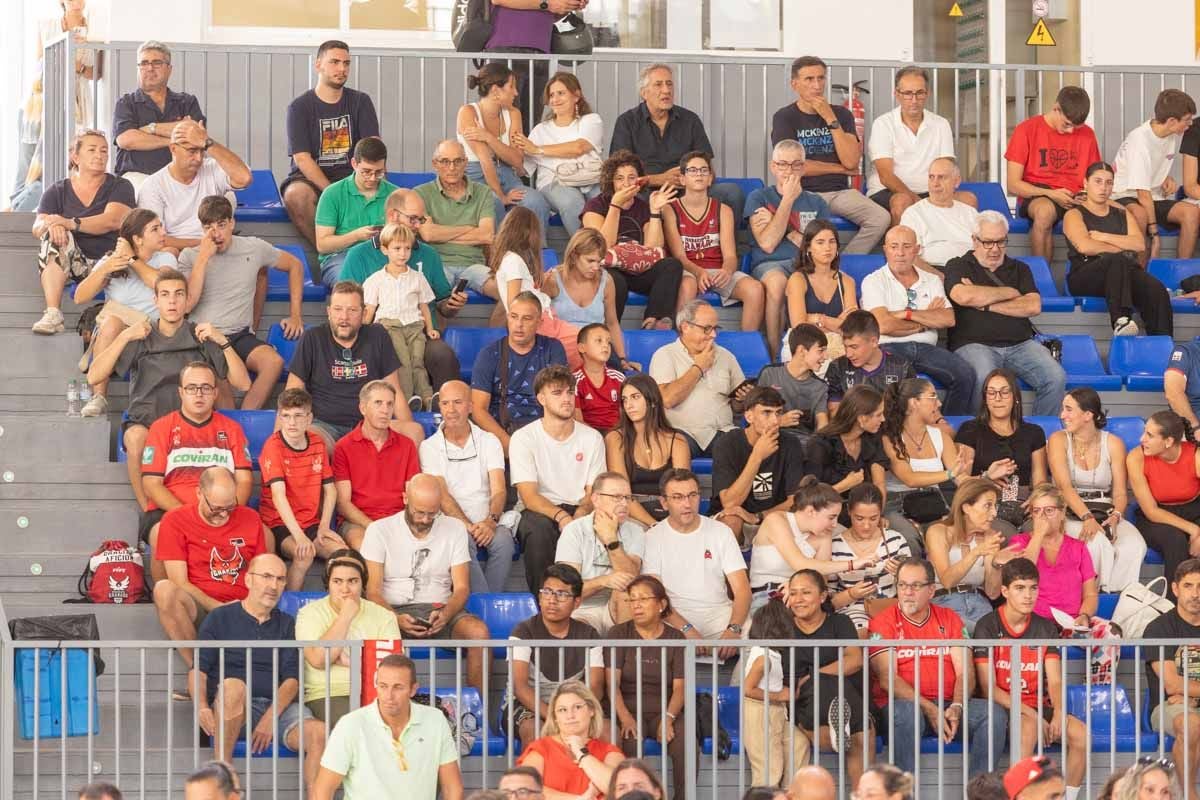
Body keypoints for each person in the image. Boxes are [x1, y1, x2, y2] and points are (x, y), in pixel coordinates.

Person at [87, 268, 249, 512]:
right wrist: (124, 337)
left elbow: (243, 383)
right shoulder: (142, 335)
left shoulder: (200, 336)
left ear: (187, 301)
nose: (172, 301)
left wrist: (222, 341)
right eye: (165, 294)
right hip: (148, 423)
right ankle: (150, 513)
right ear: (156, 300)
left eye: (178, 294)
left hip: (192, 425)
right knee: (135, 437)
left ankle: (209, 511)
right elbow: (94, 376)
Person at [191, 554, 325, 786]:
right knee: (234, 685)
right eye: (266, 577)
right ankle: (225, 779)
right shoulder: (219, 617)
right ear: (248, 580)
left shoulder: (287, 623)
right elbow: (198, 670)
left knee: (319, 733)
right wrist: (202, 706)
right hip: (233, 709)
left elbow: (292, 680)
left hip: (279, 709)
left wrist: (269, 719)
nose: (273, 586)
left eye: (280, 579)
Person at [867, 557, 1006, 779]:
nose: (907, 592)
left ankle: (981, 793)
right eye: (902, 585)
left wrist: (958, 706)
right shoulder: (883, 622)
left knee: (994, 714)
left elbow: (965, 672)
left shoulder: (949, 618)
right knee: (906, 712)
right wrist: (930, 710)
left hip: (948, 704)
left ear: (931, 590)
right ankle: (903, 795)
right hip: (903, 708)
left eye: (915, 586)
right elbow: (888, 679)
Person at [361, 473, 491, 694]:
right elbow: (372, 592)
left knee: (479, 633)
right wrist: (395, 619)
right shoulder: (379, 530)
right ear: (405, 499)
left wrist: (446, 614)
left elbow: (462, 588)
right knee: (374, 633)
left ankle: (478, 714)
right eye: (419, 512)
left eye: (432, 513)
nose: (424, 519)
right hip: (391, 610)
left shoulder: (455, 528)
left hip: (439, 608)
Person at [973, 558, 1086, 800]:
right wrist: (1033, 715)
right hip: (1004, 707)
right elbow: (988, 688)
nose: (1028, 596)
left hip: (1036, 707)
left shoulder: (1045, 628)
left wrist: (1057, 712)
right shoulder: (988, 626)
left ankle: (1068, 797)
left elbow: (1055, 681)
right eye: (1020, 588)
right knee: (1028, 727)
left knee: (1081, 734)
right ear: (1004, 591)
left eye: (1033, 588)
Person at [178, 195, 303, 409]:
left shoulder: (253, 248)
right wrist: (203, 259)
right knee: (221, 386)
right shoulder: (190, 256)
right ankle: (233, 427)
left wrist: (295, 315)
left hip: (240, 334)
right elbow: (187, 305)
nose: (215, 234)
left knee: (274, 362)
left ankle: (246, 419)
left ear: (232, 223)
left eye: (221, 225)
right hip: (205, 336)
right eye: (209, 227)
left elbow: (295, 265)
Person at [340, 187, 465, 395]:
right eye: (413, 219)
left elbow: (442, 304)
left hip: (419, 332)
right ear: (393, 216)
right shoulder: (358, 255)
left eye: (421, 220)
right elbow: (345, 306)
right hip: (378, 335)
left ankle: (442, 413)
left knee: (443, 354)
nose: (418, 226)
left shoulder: (429, 254)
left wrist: (451, 305)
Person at [943, 212, 1067, 416]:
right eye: (988, 242)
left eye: (1001, 242)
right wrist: (1010, 293)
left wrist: (985, 304)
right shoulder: (958, 265)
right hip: (973, 344)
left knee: (1056, 377)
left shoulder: (1019, 268)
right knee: (985, 378)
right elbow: (963, 296)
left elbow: (1033, 306)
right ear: (974, 240)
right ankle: (980, 434)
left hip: (1021, 343)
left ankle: (1039, 435)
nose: (995, 249)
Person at [140, 361, 254, 582]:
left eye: (206, 388)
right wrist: (190, 516)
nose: (199, 394)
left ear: (215, 393)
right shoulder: (161, 427)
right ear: (181, 392)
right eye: (192, 388)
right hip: (170, 511)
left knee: (266, 536)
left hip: (224, 510)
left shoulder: (231, 429)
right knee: (160, 534)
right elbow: (151, 484)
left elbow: (245, 480)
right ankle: (169, 602)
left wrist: (227, 509)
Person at [770, 56, 889, 254]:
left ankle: (844, 263)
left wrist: (829, 117)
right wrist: (840, 169)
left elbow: (851, 160)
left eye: (821, 78)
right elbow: (794, 167)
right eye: (809, 79)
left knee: (881, 218)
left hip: (840, 192)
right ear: (795, 84)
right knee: (807, 235)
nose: (817, 85)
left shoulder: (841, 115)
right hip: (802, 192)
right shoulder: (784, 117)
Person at [286, 281, 423, 448]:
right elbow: (292, 394)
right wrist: (278, 441)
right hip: (325, 426)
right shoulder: (313, 337)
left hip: (371, 423)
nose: (344, 317)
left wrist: (406, 430)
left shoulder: (378, 335)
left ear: (364, 313)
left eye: (352, 310)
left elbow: (394, 390)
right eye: (337, 309)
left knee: (414, 432)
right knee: (313, 442)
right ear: (329, 312)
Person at [152, 468, 264, 671]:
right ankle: (198, 671)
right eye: (216, 508)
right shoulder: (175, 520)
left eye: (230, 507)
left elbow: (262, 571)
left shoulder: (250, 518)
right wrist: (218, 608)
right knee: (164, 590)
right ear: (199, 494)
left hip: (244, 608)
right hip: (201, 606)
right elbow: (179, 581)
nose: (223, 514)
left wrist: (248, 607)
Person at [313, 653, 464, 800]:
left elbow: (452, 788)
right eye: (383, 686)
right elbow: (323, 789)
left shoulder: (435, 720)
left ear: (413, 689)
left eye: (398, 687)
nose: (389, 695)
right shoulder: (350, 724)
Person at [510, 364, 607, 594]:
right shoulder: (524, 438)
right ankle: (545, 603)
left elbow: (593, 492)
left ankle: (579, 603)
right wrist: (563, 517)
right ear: (541, 399)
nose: (566, 399)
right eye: (557, 393)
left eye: (570, 392)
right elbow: (529, 496)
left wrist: (580, 514)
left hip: (581, 507)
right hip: (539, 509)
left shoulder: (592, 438)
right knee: (539, 530)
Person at [861, 225, 976, 415]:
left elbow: (948, 318)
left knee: (966, 375)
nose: (900, 253)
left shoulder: (932, 280)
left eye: (906, 246)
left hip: (927, 349)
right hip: (889, 348)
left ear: (917, 250)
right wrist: (926, 321)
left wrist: (905, 314)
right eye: (894, 246)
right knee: (892, 386)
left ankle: (942, 427)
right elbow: (883, 325)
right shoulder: (873, 281)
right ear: (885, 250)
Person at [71, 208, 175, 418]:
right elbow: (79, 297)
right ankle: (98, 397)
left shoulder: (166, 258)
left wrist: (132, 260)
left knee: (113, 324)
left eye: (161, 227)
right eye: (155, 229)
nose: (163, 232)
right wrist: (105, 269)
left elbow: (161, 284)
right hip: (117, 337)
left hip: (151, 334)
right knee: (111, 323)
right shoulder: (111, 260)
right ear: (138, 238)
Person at [31, 129, 134, 336]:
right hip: (77, 265)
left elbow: (113, 220)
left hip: (113, 262)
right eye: (92, 150)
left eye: (104, 151)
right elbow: (37, 226)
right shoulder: (58, 190)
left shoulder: (120, 185)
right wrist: (53, 225)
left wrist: (68, 222)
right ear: (75, 156)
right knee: (53, 235)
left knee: (60, 229)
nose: (100, 155)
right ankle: (53, 313)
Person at [609, 64, 744, 220]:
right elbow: (619, 176)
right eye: (658, 84)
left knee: (731, 192)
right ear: (644, 93)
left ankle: (727, 244)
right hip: (645, 192)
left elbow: (709, 171)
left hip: (689, 190)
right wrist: (658, 179)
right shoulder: (627, 122)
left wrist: (690, 179)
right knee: (636, 200)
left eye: (669, 84)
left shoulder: (690, 120)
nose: (666, 90)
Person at [281, 40, 380, 250]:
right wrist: (334, 192)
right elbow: (302, 158)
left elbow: (373, 149)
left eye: (346, 63)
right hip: (312, 180)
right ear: (318, 65)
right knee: (295, 195)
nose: (342, 69)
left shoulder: (361, 101)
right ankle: (328, 252)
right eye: (334, 62)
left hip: (353, 176)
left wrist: (358, 183)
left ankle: (367, 253)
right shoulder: (299, 107)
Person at [419, 380, 515, 594]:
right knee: (463, 543)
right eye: (445, 404)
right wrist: (467, 525)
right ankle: (487, 607)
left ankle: (484, 604)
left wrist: (490, 521)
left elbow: (499, 490)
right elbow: (442, 495)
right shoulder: (429, 447)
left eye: (457, 402)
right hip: (452, 522)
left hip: (489, 519)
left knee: (504, 542)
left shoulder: (489, 441)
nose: (451, 410)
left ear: (470, 406)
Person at [643, 469, 751, 658]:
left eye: (692, 495)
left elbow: (742, 590)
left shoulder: (721, 532)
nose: (687, 504)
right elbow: (655, 595)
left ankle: (741, 687)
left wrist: (733, 629)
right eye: (678, 497)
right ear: (664, 502)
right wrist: (685, 628)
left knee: (757, 637)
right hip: (672, 618)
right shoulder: (651, 538)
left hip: (719, 614)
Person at [780, 570, 874, 785]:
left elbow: (854, 660)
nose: (798, 599)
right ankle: (843, 726)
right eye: (793, 594)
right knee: (859, 730)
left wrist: (814, 676)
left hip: (847, 695)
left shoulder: (839, 622)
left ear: (822, 597)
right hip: (803, 700)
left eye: (805, 592)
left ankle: (843, 724)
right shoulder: (782, 629)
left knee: (857, 728)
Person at [1047, 387, 1146, 592]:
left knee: (1134, 546)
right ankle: (1094, 600)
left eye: (1068, 409)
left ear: (1088, 415)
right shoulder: (1058, 440)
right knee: (1096, 544)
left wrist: (1117, 516)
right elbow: (1064, 487)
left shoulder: (1113, 443)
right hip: (1072, 512)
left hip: (1105, 510)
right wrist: (1087, 517)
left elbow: (1119, 493)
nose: (1062, 415)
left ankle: (1119, 603)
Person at [581, 150, 685, 330]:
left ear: (639, 181)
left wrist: (654, 211)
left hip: (637, 267)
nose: (626, 183)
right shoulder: (595, 205)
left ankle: (654, 320)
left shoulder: (642, 207)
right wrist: (615, 205)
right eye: (619, 178)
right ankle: (609, 330)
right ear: (611, 181)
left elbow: (653, 248)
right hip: (609, 268)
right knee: (615, 282)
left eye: (631, 178)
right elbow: (601, 245)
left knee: (672, 265)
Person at [662, 150, 765, 332]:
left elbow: (731, 256)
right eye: (693, 170)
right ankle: (682, 344)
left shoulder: (723, 210)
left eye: (704, 170)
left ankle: (746, 347)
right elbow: (679, 256)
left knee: (755, 289)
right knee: (688, 284)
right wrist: (699, 272)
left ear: (710, 178)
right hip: (688, 270)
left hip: (716, 271)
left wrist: (726, 270)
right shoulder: (670, 210)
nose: (699, 174)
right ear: (683, 179)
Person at [1064, 161, 1171, 337]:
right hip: (1085, 275)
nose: (1103, 188)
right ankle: (1121, 321)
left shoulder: (1122, 213)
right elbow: (1085, 246)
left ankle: (1163, 343)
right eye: (1097, 181)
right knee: (1118, 260)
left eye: (1109, 182)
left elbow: (1138, 244)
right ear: (1085, 183)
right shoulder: (1074, 214)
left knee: (1156, 289)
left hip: (1122, 272)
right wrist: (1122, 245)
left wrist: (1103, 236)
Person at [294, 549, 399, 727]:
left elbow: (393, 668)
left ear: (363, 584)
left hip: (378, 694)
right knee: (360, 726)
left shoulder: (384, 616)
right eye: (337, 581)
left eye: (353, 581)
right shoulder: (309, 614)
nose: (345, 589)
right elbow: (319, 659)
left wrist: (350, 660)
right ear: (328, 584)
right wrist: (346, 616)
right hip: (327, 694)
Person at [745, 140, 832, 353]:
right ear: (773, 167)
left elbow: (821, 246)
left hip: (806, 264)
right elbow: (767, 244)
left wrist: (784, 228)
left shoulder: (817, 202)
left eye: (795, 164)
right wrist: (787, 200)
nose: (789, 170)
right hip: (770, 264)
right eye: (782, 164)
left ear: (803, 167)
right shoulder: (759, 197)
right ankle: (775, 354)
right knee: (777, 283)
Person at [508, 563, 606, 747]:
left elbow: (596, 686)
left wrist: (574, 713)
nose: (552, 600)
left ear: (577, 602)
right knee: (535, 731)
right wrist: (555, 717)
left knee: (609, 732)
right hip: (529, 705)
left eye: (561, 594)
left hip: (576, 706)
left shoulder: (590, 635)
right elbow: (519, 686)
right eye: (547, 592)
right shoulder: (523, 631)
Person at [606, 581, 688, 798]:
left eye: (643, 599)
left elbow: (681, 687)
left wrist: (669, 717)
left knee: (685, 741)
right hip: (628, 709)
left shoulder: (676, 638)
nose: (636, 605)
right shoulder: (618, 634)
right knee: (629, 740)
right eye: (632, 599)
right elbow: (611, 684)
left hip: (666, 709)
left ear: (661, 604)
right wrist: (625, 718)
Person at [1004, 86, 1101, 262]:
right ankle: (1042, 281)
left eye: (1076, 127)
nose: (1071, 131)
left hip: (1075, 196)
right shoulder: (1026, 130)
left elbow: (1095, 176)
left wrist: (1086, 195)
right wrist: (1052, 194)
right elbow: (1013, 184)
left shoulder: (1088, 134)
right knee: (1044, 212)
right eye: (1067, 124)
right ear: (1056, 108)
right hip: (1039, 192)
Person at [258, 388, 340, 591]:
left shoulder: (318, 443)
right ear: (279, 417)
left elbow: (330, 490)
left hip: (311, 522)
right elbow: (278, 496)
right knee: (304, 554)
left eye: (298, 416)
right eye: (286, 416)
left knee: (342, 555)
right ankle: (291, 605)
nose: (292, 423)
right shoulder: (273, 446)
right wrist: (299, 536)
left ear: (309, 417)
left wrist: (323, 526)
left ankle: (333, 608)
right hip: (280, 524)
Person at [457, 63, 551, 236]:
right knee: (494, 203)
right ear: (495, 91)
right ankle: (498, 255)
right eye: (511, 87)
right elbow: (485, 159)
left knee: (536, 201)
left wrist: (488, 137)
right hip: (477, 176)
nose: (516, 92)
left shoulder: (513, 113)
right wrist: (501, 196)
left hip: (508, 174)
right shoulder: (468, 112)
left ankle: (538, 254)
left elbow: (517, 160)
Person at [749, 478, 868, 612]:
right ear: (811, 511)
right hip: (768, 594)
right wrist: (853, 563)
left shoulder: (824, 535)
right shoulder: (776, 520)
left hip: (804, 593)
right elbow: (799, 563)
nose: (835, 524)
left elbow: (821, 580)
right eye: (831, 517)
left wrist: (797, 587)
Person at [470, 291, 569, 453]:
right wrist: (508, 444)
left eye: (527, 318)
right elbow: (478, 410)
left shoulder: (553, 349)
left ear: (539, 323)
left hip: (546, 434)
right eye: (514, 317)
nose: (519, 324)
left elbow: (560, 398)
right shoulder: (489, 354)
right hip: (503, 434)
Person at [648, 300, 747, 458]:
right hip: (681, 432)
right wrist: (699, 368)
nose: (713, 335)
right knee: (674, 447)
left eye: (716, 328)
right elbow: (667, 399)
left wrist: (741, 400)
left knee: (747, 446)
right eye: (707, 329)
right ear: (686, 327)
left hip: (722, 432)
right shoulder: (665, 355)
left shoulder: (726, 356)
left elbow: (737, 407)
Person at [880, 378, 969, 552]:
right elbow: (910, 479)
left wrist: (987, 477)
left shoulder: (941, 436)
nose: (939, 402)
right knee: (910, 538)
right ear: (914, 402)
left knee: (948, 538)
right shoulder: (889, 437)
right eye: (933, 396)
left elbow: (962, 478)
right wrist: (949, 474)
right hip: (897, 504)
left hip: (931, 501)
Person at [710, 386, 807, 545]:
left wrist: (758, 516)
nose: (775, 421)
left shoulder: (791, 443)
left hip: (772, 517)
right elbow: (730, 503)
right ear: (749, 416)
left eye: (778, 412)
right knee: (731, 521)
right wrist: (757, 456)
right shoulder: (727, 443)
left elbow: (794, 501)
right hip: (735, 517)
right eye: (766, 413)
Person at [137, 119, 251, 253]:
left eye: (202, 151)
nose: (199, 158)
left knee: (257, 251)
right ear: (173, 149)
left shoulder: (212, 167)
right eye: (192, 151)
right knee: (168, 253)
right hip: (181, 251)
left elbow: (244, 178)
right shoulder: (153, 185)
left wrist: (208, 142)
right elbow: (153, 238)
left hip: (218, 245)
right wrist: (203, 244)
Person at [332, 380, 421, 550]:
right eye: (378, 403)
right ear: (363, 408)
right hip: (359, 522)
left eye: (390, 404)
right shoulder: (343, 447)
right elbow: (343, 504)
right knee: (369, 548)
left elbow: (412, 496)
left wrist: (402, 526)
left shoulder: (406, 445)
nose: (385, 410)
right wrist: (374, 526)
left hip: (399, 520)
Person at [867, 66, 962, 225]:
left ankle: (955, 250)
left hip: (931, 191)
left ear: (927, 93)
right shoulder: (883, 124)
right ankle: (899, 249)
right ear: (897, 94)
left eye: (919, 93)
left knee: (968, 200)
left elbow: (945, 168)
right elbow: (886, 176)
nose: (914, 99)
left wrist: (937, 197)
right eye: (908, 93)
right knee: (902, 201)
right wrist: (918, 202)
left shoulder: (941, 124)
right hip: (888, 192)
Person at [1113, 89, 1199, 261]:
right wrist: (1154, 234)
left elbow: (1149, 169)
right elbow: (1142, 194)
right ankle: (1139, 275)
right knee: (1141, 215)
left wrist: (1165, 178)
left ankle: (1181, 273)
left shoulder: (1169, 135)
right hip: (1125, 195)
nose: (1189, 125)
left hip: (1154, 196)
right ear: (1172, 121)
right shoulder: (1140, 140)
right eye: (1187, 121)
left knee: (1192, 213)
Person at [555, 473, 645, 634]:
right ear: (595, 499)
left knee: (625, 589)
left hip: (619, 607)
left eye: (628, 497)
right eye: (617, 497)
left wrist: (611, 539)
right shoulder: (574, 531)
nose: (624, 503)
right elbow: (566, 591)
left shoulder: (636, 531)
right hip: (582, 609)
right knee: (578, 629)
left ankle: (624, 657)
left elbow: (630, 576)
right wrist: (603, 581)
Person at [362, 223, 438, 412]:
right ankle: (407, 398)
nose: (403, 253)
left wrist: (429, 328)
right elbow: (369, 310)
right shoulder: (376, 280)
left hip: (414, 326)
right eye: (397, 248)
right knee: (402, 362)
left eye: (407, 249)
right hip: (389, 326)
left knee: (417, 361)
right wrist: (362, 330)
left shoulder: (417, 278)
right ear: (385, 249)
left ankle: (427, 398)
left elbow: (424, 306)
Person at [516, 72, 602, 238]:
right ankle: (587, 250)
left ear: (576, 95)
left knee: (602, 200)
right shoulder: (540, 130)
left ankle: (610, 249)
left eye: (561, 93)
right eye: (551, 95)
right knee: (573, 202)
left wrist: (538, 149)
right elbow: (523, 170)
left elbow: (579, 147)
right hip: (554, 181)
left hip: (589, 177)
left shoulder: (591, 120)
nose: (555, 99)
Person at [112, 40, 206, 186]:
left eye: (157, 63)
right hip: (137, 176)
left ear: (169, 69)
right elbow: (126, 140)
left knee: (223, 197)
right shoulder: (126, 103)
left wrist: (151, 128)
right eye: (144, 63)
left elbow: (196, 134)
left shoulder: (187, 102)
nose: (150, 68)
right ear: (138, 69)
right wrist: (175, 140)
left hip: (183, 176)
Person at [1128, 411, 1200, 601]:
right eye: (1145, 432)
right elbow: (1151, 511)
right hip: (1156, 516)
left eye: (1150, 435)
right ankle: (1176, 606)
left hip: (1194, 508)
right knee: (1174, 540)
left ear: (1168, 441)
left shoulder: (1195, 454)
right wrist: (1194, 530)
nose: (1142, 439)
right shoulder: (1136, 457)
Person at [742, 601, 814, 788]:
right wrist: (780, 696)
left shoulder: (773, 653)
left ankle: (789, 792)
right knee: (769, 772)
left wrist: (793, 691)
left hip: (776, 712)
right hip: (760, 713)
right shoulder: (763, 657)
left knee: (798, 745)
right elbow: (747, 689)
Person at [1143, 561, 1200, 800]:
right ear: (1175, 589)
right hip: (1169, 706)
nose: (1195, 593)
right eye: (1188, 586)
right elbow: (1172, 685)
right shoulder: (1159, 628)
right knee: (1192, 724)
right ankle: (1187, 795)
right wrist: (1188, 696)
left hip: (1191, 701)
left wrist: (1193, 693)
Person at [604, 373, 691, 527]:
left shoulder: (677, 441)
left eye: (635, 397)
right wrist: (653, 525)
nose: (629, 405)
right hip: (631, 513)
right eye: (625, 400)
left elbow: (682, 491)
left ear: (652, 400)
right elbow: (622, 494)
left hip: (670, 512)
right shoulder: (615, 439)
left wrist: (669, 526)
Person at [956, 369, 1048, 514]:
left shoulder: (1034, 432)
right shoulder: (969, 430)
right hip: (982, 503)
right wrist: (986, 478)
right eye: (992, 393)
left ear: (1015, 397)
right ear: (985, 398)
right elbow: (961, 481)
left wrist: (1036, 499)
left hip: (1024, 505)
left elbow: (1040, 481)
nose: (997, 398)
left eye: (1004, 392)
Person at [415, 140, 497, 298]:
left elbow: (486, 235)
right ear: (435, 164)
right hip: (438, 265)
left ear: (465, 162)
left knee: (507, 292)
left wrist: (441, 233)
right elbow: (428, 235)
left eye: (457, 161)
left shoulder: (483, 192)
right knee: (433, 298)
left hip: (474, 265)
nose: (452, 168)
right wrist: (469, 229)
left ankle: (498, 323)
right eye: (445, 161)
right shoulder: (420, 193)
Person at [543, 228, 635, 369]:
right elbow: (541, 321)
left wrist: (622, 358)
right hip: (562, 350)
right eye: (590, 261)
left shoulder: (607, 281)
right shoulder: (553, 279)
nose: (595, 267)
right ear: (574, 256)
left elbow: (612, 323)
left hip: (597, 348)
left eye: (599, 262)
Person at [483, 0, 588, 123]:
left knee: (530, 124)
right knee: (503, 122)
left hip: (541, 51)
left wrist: (566, 6)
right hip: (507, 48)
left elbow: (547, 12)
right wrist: (547, 3)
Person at [923, 478, 1006, 632]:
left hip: (980, 602)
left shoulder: (990, 536)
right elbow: (947, 580)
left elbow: (993, 593)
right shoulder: (939, 532)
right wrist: (977, 552)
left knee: (995, 643)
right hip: (944, 602)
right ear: (967, 507)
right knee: (968, 635)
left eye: (995, 506)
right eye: (988, 505)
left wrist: (996, 565)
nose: (994, 513)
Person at [313, 137, 398, 287]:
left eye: (379, 172)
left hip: (383, 255)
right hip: (340, 257)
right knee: (351, 284)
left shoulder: (395, 194)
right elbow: (322, 245)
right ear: (354, 164)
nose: (372, 178)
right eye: (366, 172)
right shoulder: (332, 193)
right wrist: (356, 236)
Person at [516, 681, 624, 799]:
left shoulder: (610, 752)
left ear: (591, 710)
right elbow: (524, 789)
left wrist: (581, 753)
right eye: (562, 710)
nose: (570, 716)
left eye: (577, 707)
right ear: (555, 717)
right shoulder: (541, 749)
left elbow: (617, 789)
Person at [828, 484, 912, 633]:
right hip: (851, 614)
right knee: (864, 634)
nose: (866, 526)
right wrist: (851, 594)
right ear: (848, 511)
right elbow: (828, 603)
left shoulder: (896, 539)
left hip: (890, 609)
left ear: (881, 514)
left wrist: (902, 576)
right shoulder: (834, 546)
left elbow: (915, 588)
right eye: (859, 518)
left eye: (873, 518)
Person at [805, 386, 889, 519]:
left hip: (865, 515)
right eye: (878, 415)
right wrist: (845, 485)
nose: (883, 419)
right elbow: (808, 497)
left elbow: (879, 484)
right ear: (861, 418)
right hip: (824, 515)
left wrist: (877, 517)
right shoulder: (820, 444)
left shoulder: (872, 438)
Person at [784, 219, 858, 365]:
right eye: (820, 242)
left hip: (839, 348)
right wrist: (836, 324)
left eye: (832, 242)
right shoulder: (797, 279)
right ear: (808, 248)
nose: (827, 248)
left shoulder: (847, 281)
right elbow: (799, 326)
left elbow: (852, 328)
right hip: (804, 347)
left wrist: (818, 319)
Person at [822, 310, 915, 411]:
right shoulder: (837, 367)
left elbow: (910, 412)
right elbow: (834, 413)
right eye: (845, 346)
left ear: (874, 341)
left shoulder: (902, 368)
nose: (848, 354)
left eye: (854, 347)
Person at [900, 157, 980, 272]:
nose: (935, 183)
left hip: (971, 269)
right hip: (934, 271)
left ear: (956, 181)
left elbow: (984, 248)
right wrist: (939, 278)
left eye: (941, 177)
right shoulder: (913, 214)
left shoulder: (970, 213)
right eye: (931, 177)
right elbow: (910, 257)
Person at [756, 324, 830, 436]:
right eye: (820, 351)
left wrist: (820, 443)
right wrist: (779, 421)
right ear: (801, 351)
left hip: (804, 443)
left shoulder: (820, 386)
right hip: (770, 436)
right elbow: (755, 416)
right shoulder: (769, 373)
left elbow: (822, 421)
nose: (825, 357)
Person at [574, 324, 625, 430]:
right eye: (599, 340)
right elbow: (577, 420)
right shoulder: (574, 380)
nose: (605, 345)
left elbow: (625, 415)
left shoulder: (619, 378)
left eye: (608, 342)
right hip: (587, 434)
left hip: (617, 432)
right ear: (582, 348)